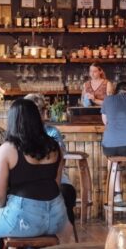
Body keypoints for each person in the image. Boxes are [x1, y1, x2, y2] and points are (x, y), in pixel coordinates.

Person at [0, 99, 70, 249]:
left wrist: (5, 212)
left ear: (12, 121)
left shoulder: (8, 149)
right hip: (56, 218)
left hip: (23, 219)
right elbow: (56, 184)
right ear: (37, 118)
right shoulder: (55, 148)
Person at [24, 93, 76, 228]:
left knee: (66, 192)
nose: (37, 116)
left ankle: (64, 234)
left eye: (39, 111)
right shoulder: (20, 134)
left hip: (55, 178)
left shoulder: (52, 132)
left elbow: (60, 161)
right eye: (33, 112)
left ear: (43, 113)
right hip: (30, 181)